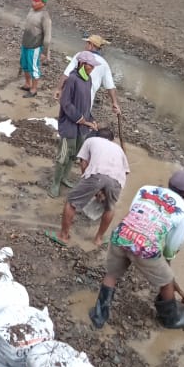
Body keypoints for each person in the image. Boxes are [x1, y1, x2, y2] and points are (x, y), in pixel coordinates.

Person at [89, 169, 184, 330]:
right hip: (145, 246)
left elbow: (134, 211)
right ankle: (171, 319)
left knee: (112, 274)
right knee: (167, 281)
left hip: (121, 234)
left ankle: (99, 315)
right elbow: (173, 244)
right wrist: (167, 258)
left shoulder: (146, 189)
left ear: (169, 183)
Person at [46, 127, 130, 247]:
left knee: (71, 202)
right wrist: (102, 191)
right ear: (111, 139)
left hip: (97, 174)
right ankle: (98, 239)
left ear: (97, 135)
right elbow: (125, 171)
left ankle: (63, 236)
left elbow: (84, 162)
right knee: (110, 207)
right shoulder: (118, 149)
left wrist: (90, 183)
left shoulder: (91, 140)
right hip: (117, 179)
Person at [49, 51, 99, 197]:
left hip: (81, 128)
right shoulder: (72, 79)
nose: (93, 68)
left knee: (74, 154)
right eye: (91, 66)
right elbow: (65, 103)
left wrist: (90, 118)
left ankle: (65, 177)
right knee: (63, 155)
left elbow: (86, 103)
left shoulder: (88, 79)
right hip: (69, 126)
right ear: (82, 64)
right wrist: (80, 119)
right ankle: (55, 183)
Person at [55, 35, 121, 115]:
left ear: (91, 45)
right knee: (82, 119)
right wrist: (114, 103)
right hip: (88, 99)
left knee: (68, 117)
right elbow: (110, 87)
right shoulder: (104, 63)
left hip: (72, 94)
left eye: (87, 43)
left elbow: (66, 75)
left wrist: (59, 89)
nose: (85, 45)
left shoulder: (80, 55)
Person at [19, 0, 51, 98]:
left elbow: (47, 36)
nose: (33, 2)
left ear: (43, 3)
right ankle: (27, 84)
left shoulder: (45, 17)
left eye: (36, 1)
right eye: (33, 0)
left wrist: (45, 52)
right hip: (26, 43)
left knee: (34, 68)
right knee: (24, 65)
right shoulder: (31, 10)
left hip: (35, 46)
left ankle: (34, 89)